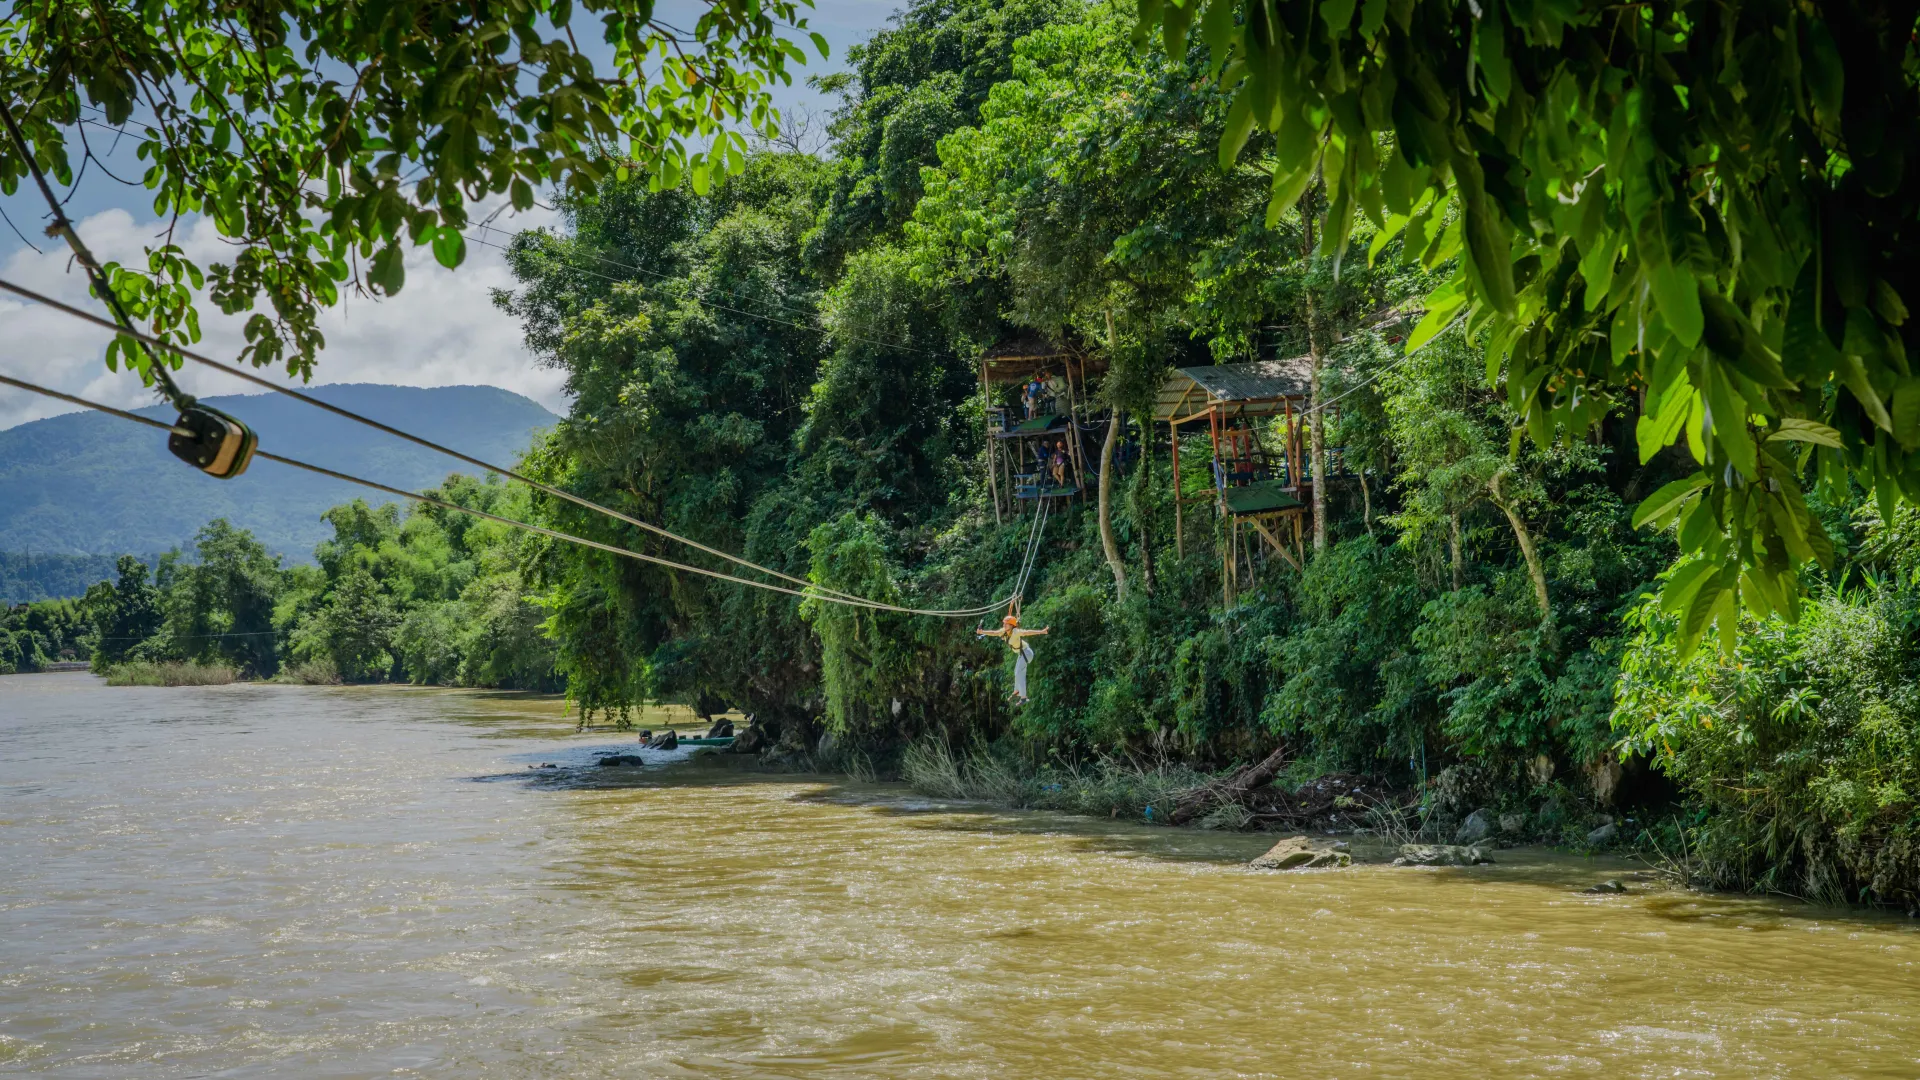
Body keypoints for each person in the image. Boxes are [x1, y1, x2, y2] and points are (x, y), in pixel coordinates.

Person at [976, 611, 1050, 701]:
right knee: (1016, 672)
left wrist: (1041, 631)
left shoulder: (1015, 632)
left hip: (1027, 653)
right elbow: (994, 633)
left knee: (1019, 673)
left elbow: (1027, 632)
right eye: (1004, 624)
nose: (1004, 625)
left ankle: (1023, 697)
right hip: (1021, 653)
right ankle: (1017, 690)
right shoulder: (1004, 632)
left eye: (1007, 624)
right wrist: (982, 631)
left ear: (1012, 625)